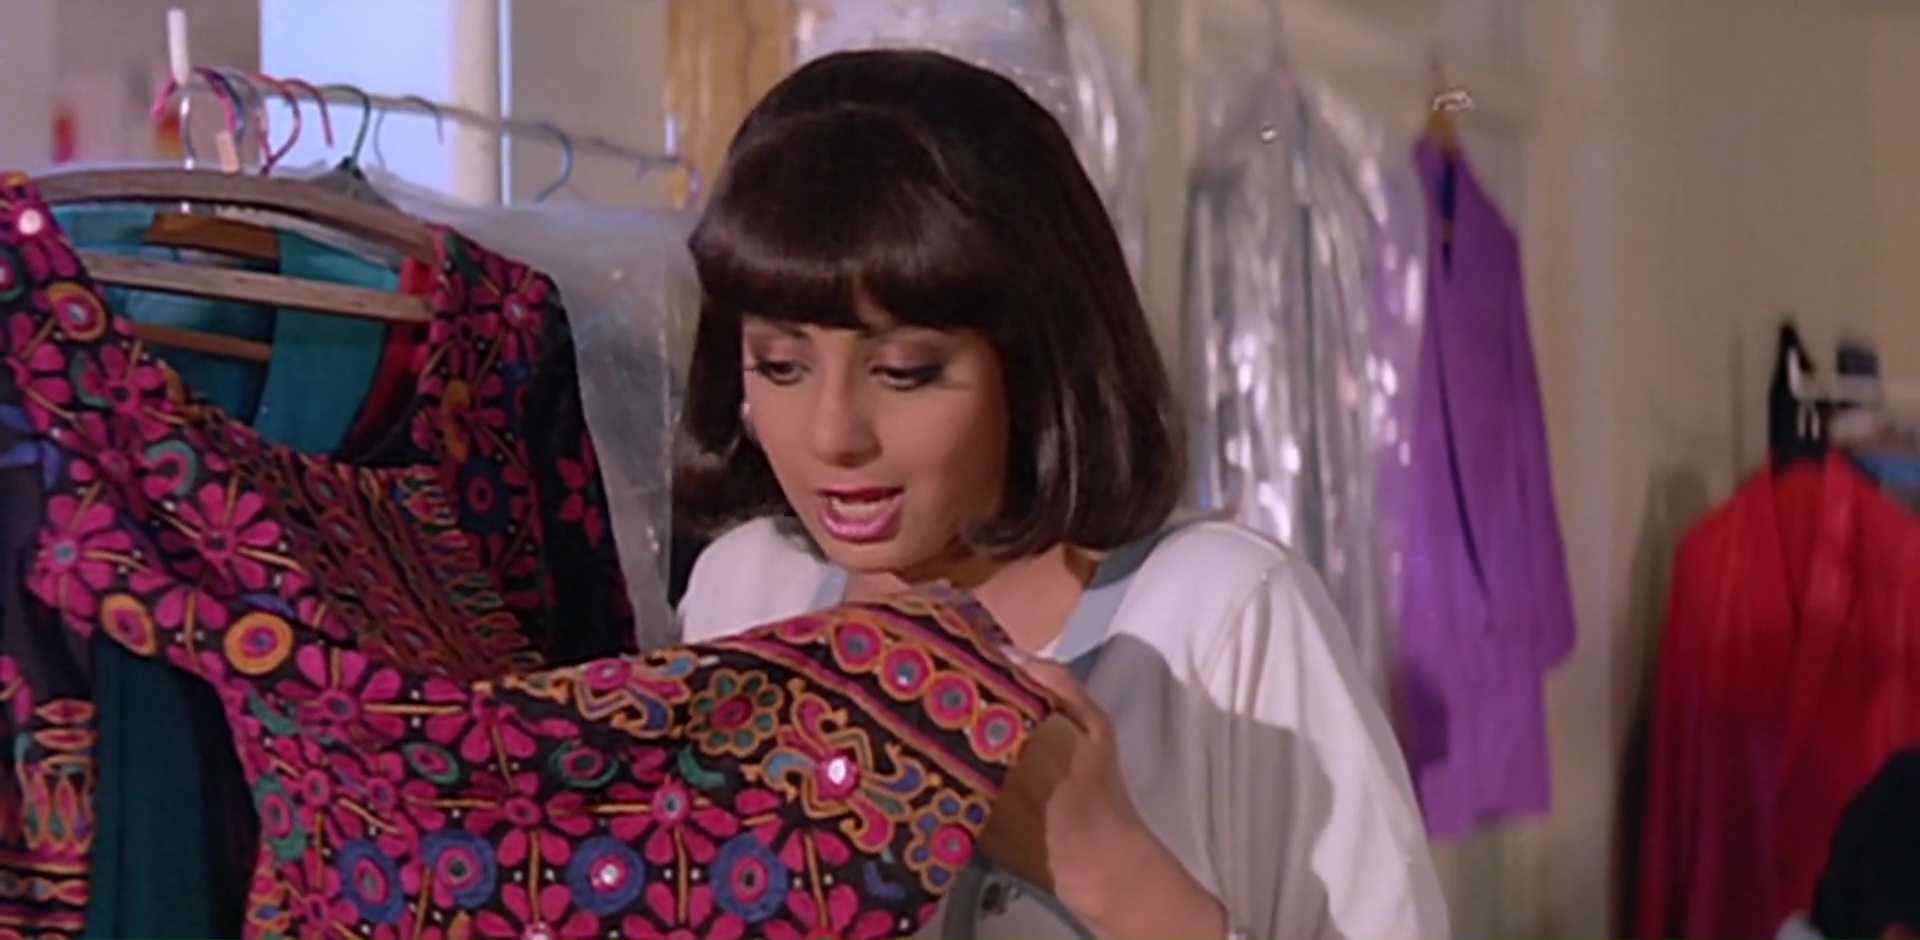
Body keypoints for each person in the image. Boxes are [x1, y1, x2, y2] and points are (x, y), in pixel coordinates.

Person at [673, 47, 1449, 940]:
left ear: (1033, 360)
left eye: (905, 371)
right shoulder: (743, 591)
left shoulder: (1226, 620)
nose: (831, 435)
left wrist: (1117, 876)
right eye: (780, 365)